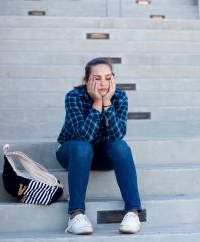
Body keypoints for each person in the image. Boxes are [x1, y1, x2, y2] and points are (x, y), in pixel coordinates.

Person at [56, 58, 142, 235]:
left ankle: (133, 212)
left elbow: (117, 134)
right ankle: (76, 215)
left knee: (120, 146)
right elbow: (84, 137)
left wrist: (107, 103)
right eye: (97, 78)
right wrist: (97, 103)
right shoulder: (74, 97)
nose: (103, 83)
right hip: (73, 154)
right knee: (82, 148)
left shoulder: (120, 97)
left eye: (108, 77)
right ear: (87, 80)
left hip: (103, 156)